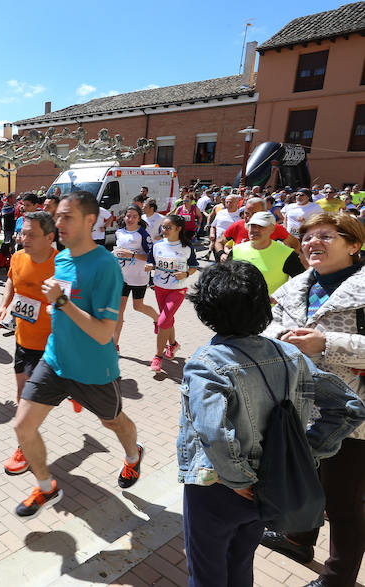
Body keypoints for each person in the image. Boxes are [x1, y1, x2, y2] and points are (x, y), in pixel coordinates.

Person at [180, 261, 365, 587]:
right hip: (273, 484)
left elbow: (212, 431)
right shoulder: (291, 355)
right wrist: (307, 453)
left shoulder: (205, 364)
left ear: (206, 309)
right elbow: (349, 407)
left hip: (216, 488)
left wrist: (238, 479)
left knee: (206, 571)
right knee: (241, 559)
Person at [12, 191, 141, 519]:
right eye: (58, 217)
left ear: (90, 220)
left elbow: (102, 333)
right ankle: (46, 487)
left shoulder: (106, 265)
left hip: (95, 371)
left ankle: (133, 456)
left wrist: (62, 302)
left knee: (114, 422)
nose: (59, 223)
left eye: (67, 217)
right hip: (55, 362)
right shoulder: (62, 259)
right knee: (22, 426)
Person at [259, 212, 365, 587]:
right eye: (307, 236)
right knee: (306, 481)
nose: (312, 242)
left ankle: (338, 578)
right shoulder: (294, 287)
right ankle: (298, 540)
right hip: (301, 407)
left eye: (325, 235)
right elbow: (270, 327)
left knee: (343, 503)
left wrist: (328, 344)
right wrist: (279, 336)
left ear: (354, 244)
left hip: (352, 415)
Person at [0, 211, 59, 475]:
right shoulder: (18, 256)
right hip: (23, 341)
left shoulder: (62, 264)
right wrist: (3, 304)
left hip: (52, 344)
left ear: (50, 237)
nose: (24, 238)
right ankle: (25, 444)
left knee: (28, 404)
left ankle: (25, 444)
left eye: (31, 234)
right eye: (23, 233)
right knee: (22, 396)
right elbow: (11, 279)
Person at [145, 215, 199, 373]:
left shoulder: (187, 247)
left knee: (162, 322)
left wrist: (186, 274)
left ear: (178, 229)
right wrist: (150, 266)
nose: (164, 230)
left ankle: (157, 357)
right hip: (160, 287)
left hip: (178, 289)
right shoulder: (157, 245)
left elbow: (194, 266)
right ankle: (173, 344)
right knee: (168, 320)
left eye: (168, 227)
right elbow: (152, 262)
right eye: (163, 227)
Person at [112, 206, 158, 349]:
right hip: (121, 277)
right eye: (128, 216)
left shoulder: (143, 234)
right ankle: (114, 345)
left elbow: (151, 257)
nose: (130, 219)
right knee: (119, 309)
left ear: (139, 219)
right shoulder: (119, 232)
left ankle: (157, 319)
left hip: (138, 277)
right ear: (124, 217)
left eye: (134, 216)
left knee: (138, 306)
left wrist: (132, 255)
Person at [228, 212, 305, 296]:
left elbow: (302, 283)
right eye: (252, 226)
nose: (255, 230)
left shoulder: (286, 254)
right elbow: (225, 280)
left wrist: (284, 298)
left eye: (261, 226)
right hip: (239, 307)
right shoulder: (236, 250)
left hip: (271, 308)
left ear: (272, 229)